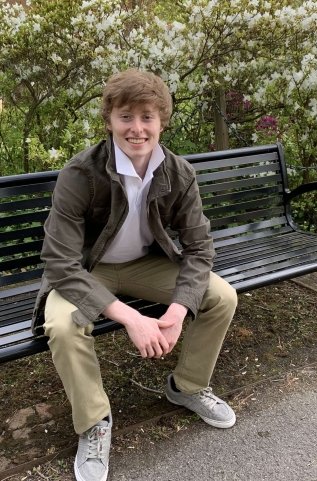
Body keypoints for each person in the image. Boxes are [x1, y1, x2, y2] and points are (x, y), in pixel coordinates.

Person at [32, 69, 238, 481]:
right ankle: (93, 423)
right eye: (126, 116)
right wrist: (132, 318)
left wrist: (178, 309)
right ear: (109, 119)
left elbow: (200, 248)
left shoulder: (179, 173)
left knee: (221, 296)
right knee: (61, 323)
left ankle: (187, 387)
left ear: (162, 120)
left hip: (146, 265)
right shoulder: (81, 174)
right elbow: (60, 261)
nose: (137, 128)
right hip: (88, 272)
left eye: (147, 116)